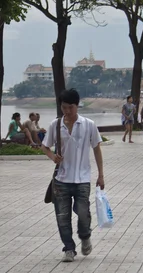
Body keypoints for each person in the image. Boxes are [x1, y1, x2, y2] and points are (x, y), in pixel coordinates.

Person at [41, 88, 105, 263]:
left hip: (83, 178)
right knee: (62, 217)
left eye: (70, 107)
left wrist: (101, 175)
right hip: (61, 180)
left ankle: (85, 236)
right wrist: (53, 157)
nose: (67, 111)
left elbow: (97, 149)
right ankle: (69, 248)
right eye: (64, 107)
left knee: (83, 213)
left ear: (77, 106)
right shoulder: (55, 125)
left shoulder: (89, 125)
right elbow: (45, 146)